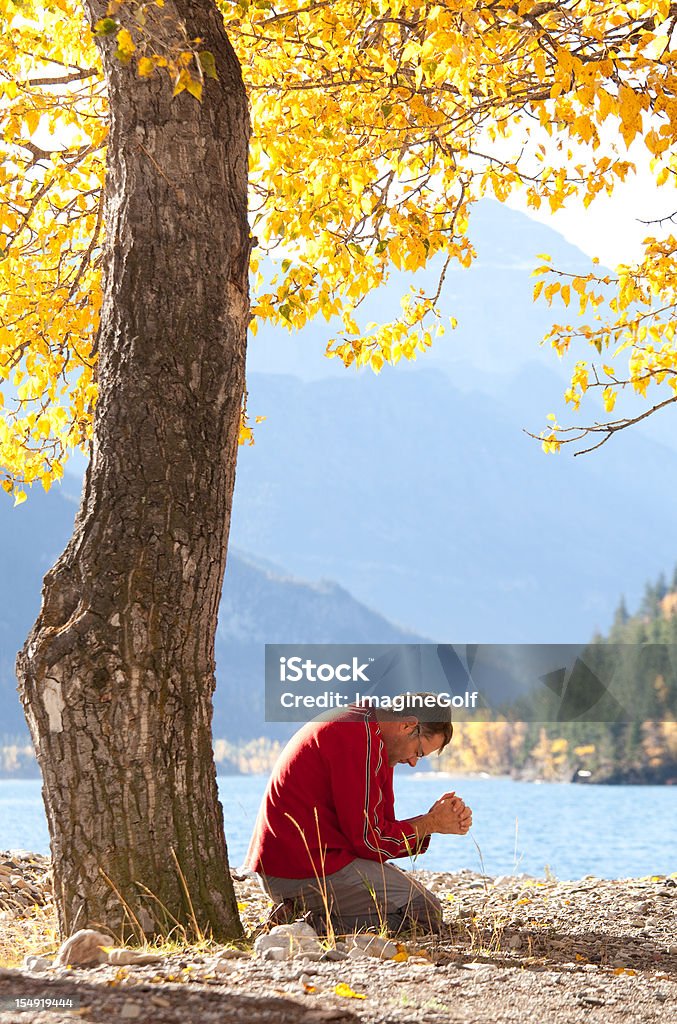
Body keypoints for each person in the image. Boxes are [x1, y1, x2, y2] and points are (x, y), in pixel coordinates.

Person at [245, 695, 472, 934]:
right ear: (407, 725)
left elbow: (378, 831)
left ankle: (303, 913)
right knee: (425, 912)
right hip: (301, 870)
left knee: (415, 906)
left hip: (300, 864)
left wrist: (430, 821)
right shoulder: (358, 739)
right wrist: (431, 823)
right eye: (419, 752)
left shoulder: (369, 732)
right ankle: (308, 925)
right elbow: (370, 843)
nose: (414, 762)